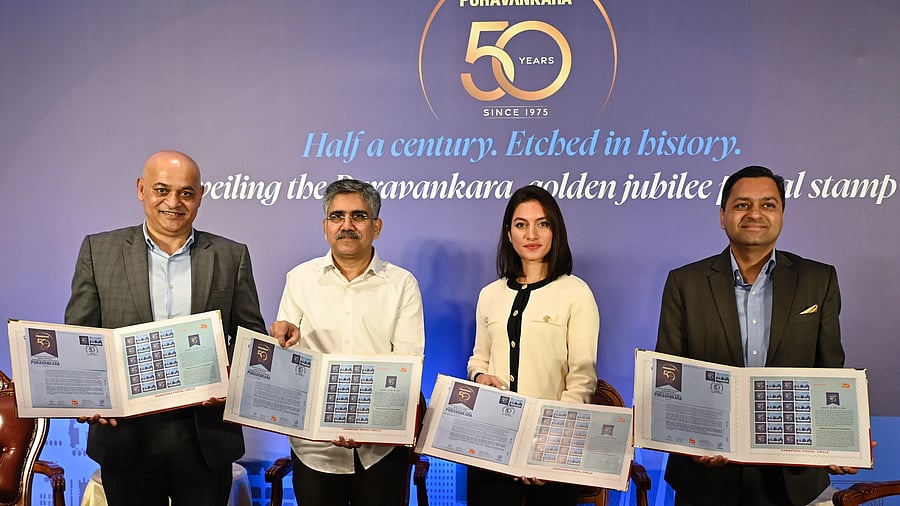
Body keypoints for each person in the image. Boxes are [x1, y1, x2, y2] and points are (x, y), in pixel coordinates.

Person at [65, 150, 267, 506]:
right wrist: (88, 395)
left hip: (205, 433)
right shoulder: (99, 250)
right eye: (162, 190)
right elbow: (81, 336)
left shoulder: (231, 255)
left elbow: (251, 338)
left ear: (200, 196)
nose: (174, 202)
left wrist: (233, 380)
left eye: (186, 193)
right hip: (125, 434)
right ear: (141, 189)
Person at [655, 165, 858, 506]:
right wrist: (690, 440)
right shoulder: (684, 282)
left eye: (768, 204)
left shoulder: (818, 279)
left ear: (781, 215)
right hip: (705, 473)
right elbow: (669, 375)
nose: (755, 214)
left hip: (793, 475)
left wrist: (839, 438)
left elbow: (830, 372)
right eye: (741, 204)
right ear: (723, 216)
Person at [269, 179, 425, 506]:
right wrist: (282, 341)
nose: (347, 225)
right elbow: (290, 361)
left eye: (359, 216)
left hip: (380, 447)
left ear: (376, 226)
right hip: (314, 448)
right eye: (337, 216)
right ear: (325, 226)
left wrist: (363, 423)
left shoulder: (402, 284)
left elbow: (409, 364)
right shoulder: (299, 280)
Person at [466, 184, 600, 506]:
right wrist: (479, 377)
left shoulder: (575, 292)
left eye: (542, 223)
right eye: (521, 225)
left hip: (551, 444)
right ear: (509, 234)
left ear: (555, 231)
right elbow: (478, 359)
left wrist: (546, 446)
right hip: (493, 441)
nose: (532, 234)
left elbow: (582, 379)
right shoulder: (490, 294)